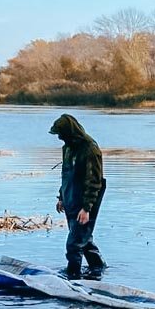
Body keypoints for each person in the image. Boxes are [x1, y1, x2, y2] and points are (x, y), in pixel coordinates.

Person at [51, 113, 106, 279]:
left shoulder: (90, 149)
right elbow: (66, 174)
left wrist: (86, 208)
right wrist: (61, 197)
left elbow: (94, 181)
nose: (60, 137)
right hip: (70, 197)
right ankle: (98, 270)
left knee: (74, 244)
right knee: (84, 240)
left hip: (86, 201)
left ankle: (72, 278)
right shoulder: (67, 148)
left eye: (61, 134)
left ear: (70, 132)